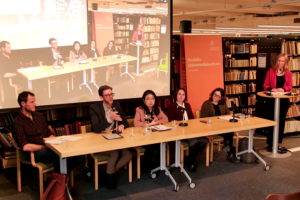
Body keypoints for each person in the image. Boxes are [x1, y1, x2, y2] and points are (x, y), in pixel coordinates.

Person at [12, 91, 84, 174]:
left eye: (34, 101)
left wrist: (55, 142)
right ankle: (61, 181)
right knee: (59, 155)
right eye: (32, 102)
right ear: (23, 104)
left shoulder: (38, 116)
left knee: (78, 153)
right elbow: (25, 146)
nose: (35, 104)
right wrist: (46, 147)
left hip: (49, 147)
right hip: (35, 153)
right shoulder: (18, 122)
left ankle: (61, 178)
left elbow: (49, 133)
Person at [89, 85, 132, 189]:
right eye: (107, 95)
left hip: (115, 139)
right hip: (101, 139)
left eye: (111, 94)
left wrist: (122, 125)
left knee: (128, 155)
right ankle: (110, 181)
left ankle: (107, 174)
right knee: (114, 153)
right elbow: (96, 128)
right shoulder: (94, 108)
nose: (110, 97)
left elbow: (125, 122)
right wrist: (109, 119)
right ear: (101, 97)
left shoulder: (116, 105)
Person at [167, 88, 209, 172]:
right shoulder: (171, 106)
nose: (181, 96)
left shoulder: (187, 105)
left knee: (205, 140)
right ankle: (191, 163)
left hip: (191, 129)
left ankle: (188, 158)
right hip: (179, 131)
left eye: (183, 94)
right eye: (179, 94)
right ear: (176, 95)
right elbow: (171, 121)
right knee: (194, 141)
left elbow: (192, 119)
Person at [201, 88, 240, 163]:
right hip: (211, 127)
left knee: (230, 131)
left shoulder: (223, 105)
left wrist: (224, 119)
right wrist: (214, 121)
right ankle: (230, 152)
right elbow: (203, 118)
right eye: (215, 94)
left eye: (218, 96)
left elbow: (228, 115)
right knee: (229, 133)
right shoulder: (206, 104)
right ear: (212, 94)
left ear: (221, 98)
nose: (215, 96)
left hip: (222, 127)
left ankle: (229, 149)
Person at [134, 90, 168, 174]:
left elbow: (166, 119)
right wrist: (148, 124)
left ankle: (158, 166)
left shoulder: (157, 109)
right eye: (148, 99)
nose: (150, 101)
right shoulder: (139, 110)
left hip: (155, 136)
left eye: (152, 99)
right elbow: (136, 123)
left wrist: (158, 122)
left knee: (160, 144)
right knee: (152, 146)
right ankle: (147, 166)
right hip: (144, 136)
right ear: (143, 100)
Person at [263, 53, 292, 152]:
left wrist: (283, 89)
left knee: (281, 122)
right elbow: (265, 85)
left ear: (285, 62)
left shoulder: (288, 73)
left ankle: (277, 143)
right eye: (279, 61)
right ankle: (270, 144)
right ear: (276, 61)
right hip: (272, 101)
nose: (280, 63)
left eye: (282, 61)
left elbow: (290, 86)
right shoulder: (270, 71)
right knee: (272, 121)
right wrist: (272, 89)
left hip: (283, 101)